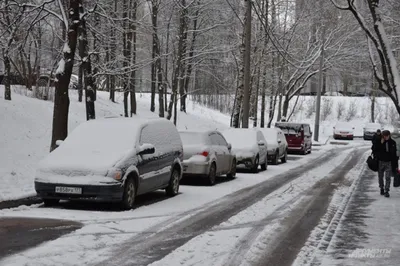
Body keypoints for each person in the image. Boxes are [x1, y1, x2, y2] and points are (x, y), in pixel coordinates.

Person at [372, 130, 397, 197]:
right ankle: (381, 188)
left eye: (387, 136)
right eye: (384, 136)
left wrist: (395, 165)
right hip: (380, 161)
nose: (385, 137)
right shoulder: (379, 141)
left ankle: (387, 190)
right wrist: (379, 143)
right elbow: (374, 149)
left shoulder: (392, 143)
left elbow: (394, 155)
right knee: (380, 177)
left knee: (388, 177)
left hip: (389, 162)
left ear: (389, 135)